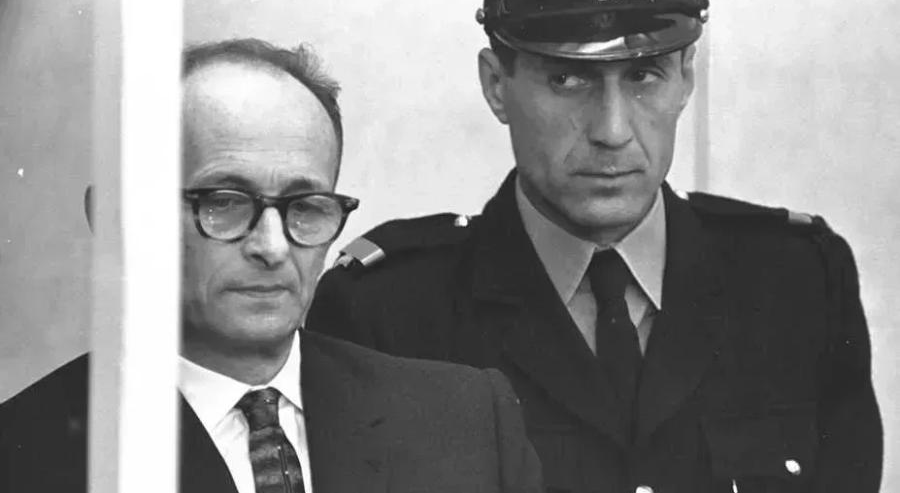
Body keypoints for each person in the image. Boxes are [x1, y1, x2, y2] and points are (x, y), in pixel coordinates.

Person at [307, 0, 884, 492]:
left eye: (644, 76)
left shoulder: (798, 282)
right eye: (567, 78)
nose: (611, 131)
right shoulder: (386, 315)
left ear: (686, 77)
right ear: (496, 85)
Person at [0, 38, 542, 493]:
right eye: (224, 202)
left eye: (305, 207)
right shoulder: (22, 456)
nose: (273, 247)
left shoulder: (466, 420)